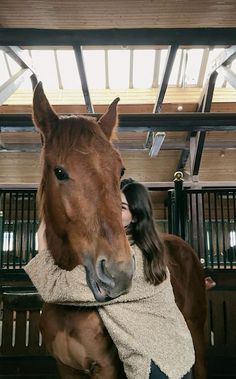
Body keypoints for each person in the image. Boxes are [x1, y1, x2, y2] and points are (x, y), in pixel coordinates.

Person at [24, 178, 194, 379]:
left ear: (136, 217)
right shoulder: (140, 252)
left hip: (158, 364)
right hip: (175, 356)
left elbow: (56, 288)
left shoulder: (128, 262)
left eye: (120, 207)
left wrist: (42, 241)